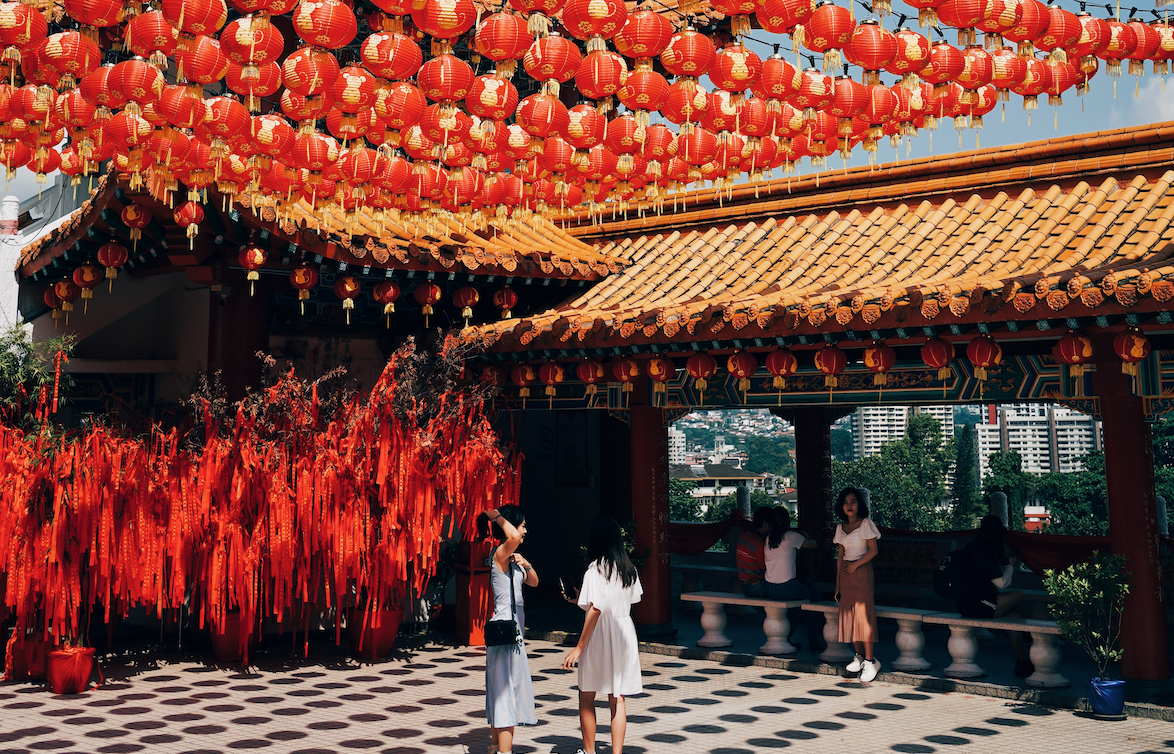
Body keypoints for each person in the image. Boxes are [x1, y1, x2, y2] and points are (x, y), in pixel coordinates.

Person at [561, 516, 643, 754]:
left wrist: (579, 647)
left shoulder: (594, 570)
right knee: (617, 697)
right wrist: (580, 599)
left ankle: (589, 751)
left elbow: (595, 609)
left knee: (587, 693)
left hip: (600, 634)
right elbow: (627, 600)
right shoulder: (629, 569)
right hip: (624, 631)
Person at [478, 506, 539, 754]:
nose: (524, 530)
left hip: (513, 632)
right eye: (522, 525)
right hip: (506, 630)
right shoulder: (500, 555)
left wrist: (527, 563)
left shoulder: (512, 560)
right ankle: (504, 751)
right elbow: (512, 537)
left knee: (502, 690)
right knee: (505, 694)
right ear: (511, 526)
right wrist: (496, 516)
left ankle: (495, 747)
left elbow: (534, 581)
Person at [958, 515, 1034, 677]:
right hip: (979, 604)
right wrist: (1010, 566)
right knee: (1019, 596)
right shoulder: (985, 553)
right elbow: (1001, 584)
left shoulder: (971, 548)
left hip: (965, 604)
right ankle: (1029, 635)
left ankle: (1023, 662)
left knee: (1014, 618)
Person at [833, 487, 881, 682]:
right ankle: (859, 656)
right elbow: (840, 556)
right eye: (845, 502)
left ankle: (871, 661)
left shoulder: (866, 524)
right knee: (850, 616)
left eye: (853, 501)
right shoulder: (840, 528)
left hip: (861, 572)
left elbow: (873, 550)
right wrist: (837, 583)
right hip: (846, 574)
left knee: (863, 616)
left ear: (859, 504)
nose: (849, 505)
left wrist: (855, 565)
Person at [762, 507, 826, 652]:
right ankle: (814, 640)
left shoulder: (768, 538)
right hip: (787, 587)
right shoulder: (791, 536)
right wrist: (805, 535)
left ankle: (787, 636)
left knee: (797, 602)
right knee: (808, 601)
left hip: (769, 588)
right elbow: (813, 545)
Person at [735, 506, 772, 598]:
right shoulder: (759, 544)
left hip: (745, 585)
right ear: (765, 525)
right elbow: (766, 568)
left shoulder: (743, 537)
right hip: (757, 586)